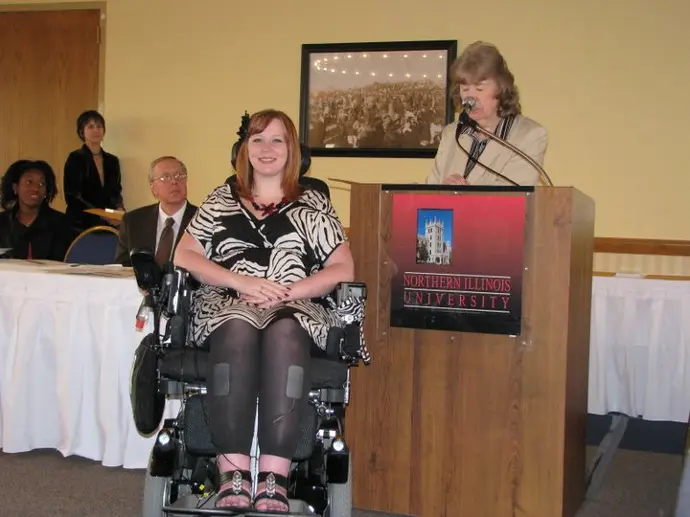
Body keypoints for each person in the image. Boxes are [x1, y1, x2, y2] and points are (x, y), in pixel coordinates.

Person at [174, 109, 354, 512]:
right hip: (227, 302)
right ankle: (232, 472)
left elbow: (343, 267)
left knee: (284, 332)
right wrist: (241, 282)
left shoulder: (314, 202)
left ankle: (275, 475)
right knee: (238, 326)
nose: (267, 149)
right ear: (244, 149)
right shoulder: (221, 199)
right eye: (257, 140)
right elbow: (185, 254)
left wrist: (287, 291)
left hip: (297, 305)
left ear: (292, 151)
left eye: (277, 140)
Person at [426, 41, 549, 186]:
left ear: (501, 88)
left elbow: (515, 199)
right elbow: (430, 191)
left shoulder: (529, 135)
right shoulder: (451, 134)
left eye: (479, 89)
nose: (470, 98)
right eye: (465, 89)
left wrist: (464, 196)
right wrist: (442, 192)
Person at [114, 156, 197, 267]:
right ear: (153, 188)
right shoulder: (133, 221)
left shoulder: (204, 219)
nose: (174, 181)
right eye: (165, 177)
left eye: (179, 175)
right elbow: (122, 268)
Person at [0, 159, 76, 260]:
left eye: (41, 184)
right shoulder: (2, 223)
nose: (35, 188)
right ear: (15, 188)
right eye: (29, 182)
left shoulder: (62, 224)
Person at [63, 110, 124, 231]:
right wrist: (100, 214)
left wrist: (118, 209)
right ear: (82, 132)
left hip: (108, 223)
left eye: (99, 126)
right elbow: (73, 194)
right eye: (90, 127)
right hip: (80, 222)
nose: (96, 130)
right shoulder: (75, 158)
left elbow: (116, 191)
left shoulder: (112, 160)